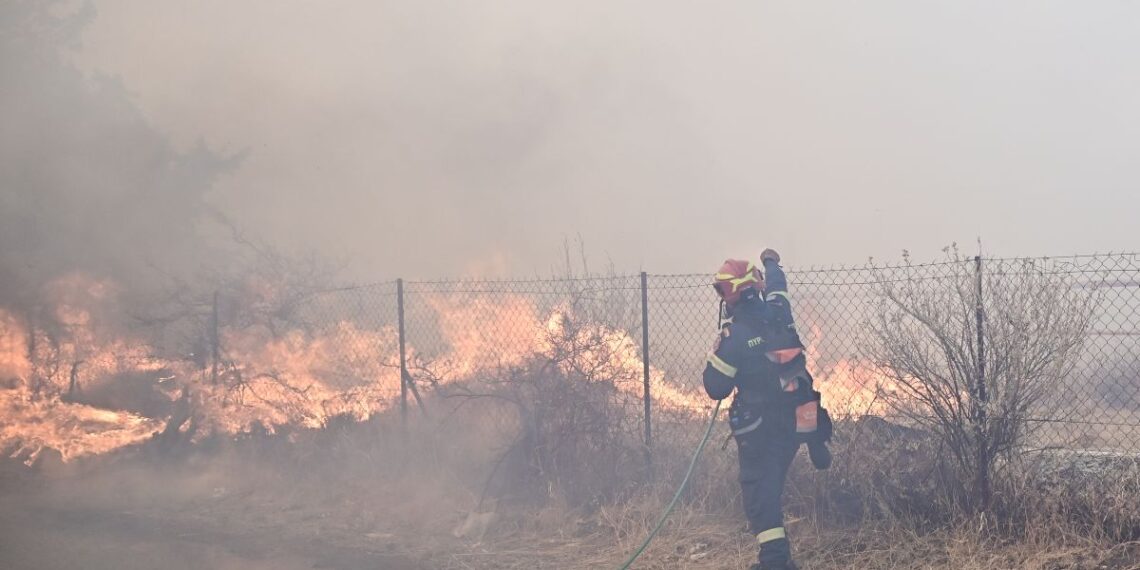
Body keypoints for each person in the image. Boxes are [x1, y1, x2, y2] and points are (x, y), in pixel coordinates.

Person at [702, 249, 832, 570]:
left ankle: (774, 562)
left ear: (734, 293)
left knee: (761, 495)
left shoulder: (735, 336)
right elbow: (778, 285)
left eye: (723, 290)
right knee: (771, 486)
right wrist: (771, 262)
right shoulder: (780, 311)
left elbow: (715, 387)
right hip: (797, 419)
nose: (722, 298)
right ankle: (817, 443)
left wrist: (720, 354)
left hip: (762, 430)